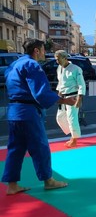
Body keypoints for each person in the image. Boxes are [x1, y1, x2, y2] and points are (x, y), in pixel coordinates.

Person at [2, 39, 76, 195]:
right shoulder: (32, 65)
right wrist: (63, 100)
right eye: (43, 50)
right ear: (36, 50)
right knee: (40, 147)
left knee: (15, 149)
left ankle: (12, 184)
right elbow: (40, 93)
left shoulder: (14, 64)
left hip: (14, 110)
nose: (44, 53)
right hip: (28, 112)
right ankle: (48, 180)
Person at [54, 50, 86, 148]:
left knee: (72, 118)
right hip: (63, 97)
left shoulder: (76, 69)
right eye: (56, 59)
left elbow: (81, 84)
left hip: (73, 96)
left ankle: (74, 139)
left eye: (58, 59)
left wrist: (79, 99)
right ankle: (73, 133)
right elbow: (60, 83)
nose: (57, 61)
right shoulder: (59, 68)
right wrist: (58, 93)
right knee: (60, 117)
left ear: (65, 58)